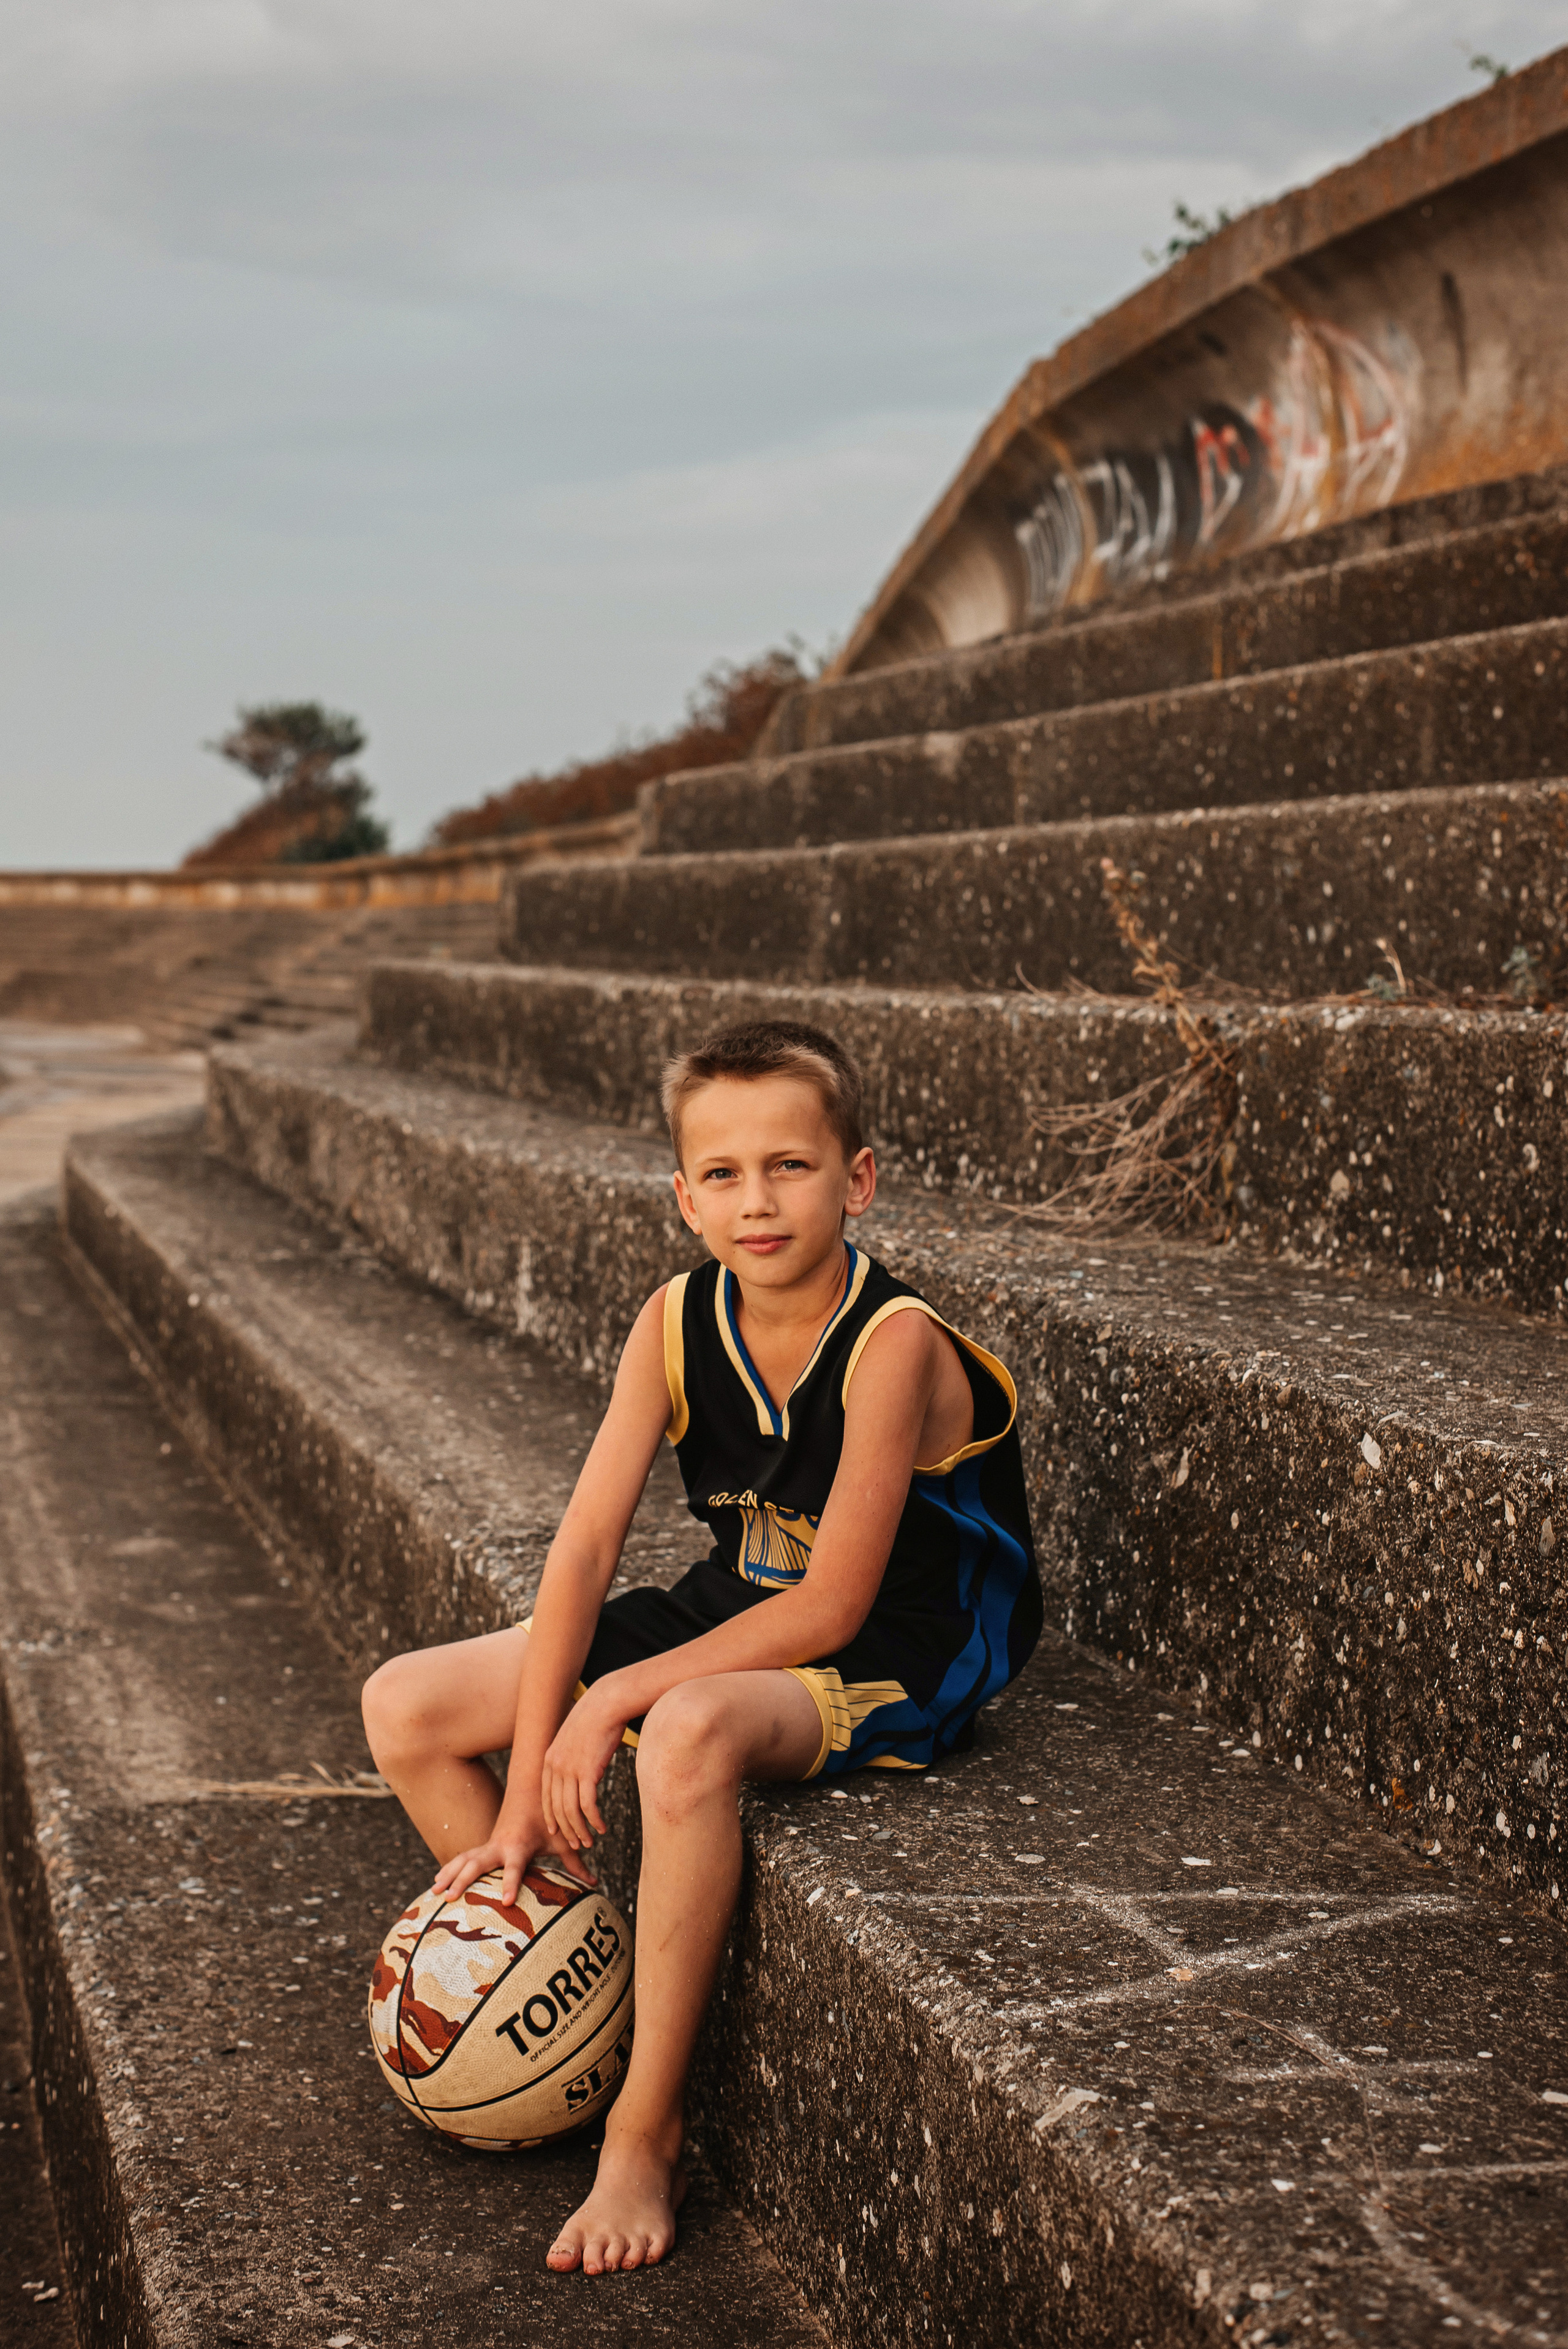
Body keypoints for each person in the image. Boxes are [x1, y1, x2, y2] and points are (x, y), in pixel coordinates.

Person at [361, 1019, 1041, 2274]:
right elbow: (578, 1555)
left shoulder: (894, 1343)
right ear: (683, 1198)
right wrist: (520, 1800)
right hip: (737, 1603)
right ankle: (575, 2003)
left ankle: (644, 2128)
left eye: (788, 1165)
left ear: (859, 1178)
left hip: (903, 1645)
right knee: (405, 1705)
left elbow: (834, 1608)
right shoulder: (674, 1320)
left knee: (681, 1732)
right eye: (721, 1175)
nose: (756, 1200)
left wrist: (606, 1696)